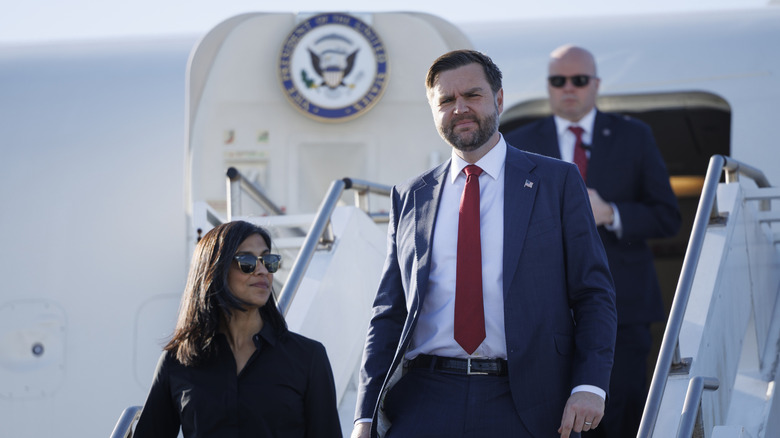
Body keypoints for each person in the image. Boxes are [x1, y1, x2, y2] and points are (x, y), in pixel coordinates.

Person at [351, 49, 617, 438]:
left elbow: (594, 294)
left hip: (527, 401)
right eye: (446, 100)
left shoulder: (556, 182)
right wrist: (365, 415)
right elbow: (389, 313)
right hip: (424, 401)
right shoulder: (411, 196)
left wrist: (589, 386)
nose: (459, 108)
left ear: (499, 99)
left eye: (472, 95)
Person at [504, 44, 682, 437]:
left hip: (624, 309)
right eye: (558, 80)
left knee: (618, 416)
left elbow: (668, 216)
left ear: (596, 84)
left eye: (579, 80)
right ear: (549, 87)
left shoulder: (634, 136)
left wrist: (612, 212)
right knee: (552, 421)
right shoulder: (516, 141)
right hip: (543, 314)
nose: (569, 88)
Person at [134, 220, 342, 438]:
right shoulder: (178, 360)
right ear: (214, 270)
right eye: (247, 261)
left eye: (268, 260)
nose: (262, 271)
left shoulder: (308, 357)